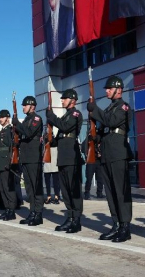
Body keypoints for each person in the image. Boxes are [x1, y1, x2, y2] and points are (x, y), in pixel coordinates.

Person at [87, 75, 134, 242]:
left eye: (109, 88)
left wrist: (95, 110)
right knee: (110, 192)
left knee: (121, 192)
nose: (106, 91)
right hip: (106, 154)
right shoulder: (108, 108)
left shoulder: (123, 107)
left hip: (118, 153)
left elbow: (110, 122)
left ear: (118, 90)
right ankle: (116, 224)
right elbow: (102, 128)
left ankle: (125, 227)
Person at [46, 89, 84, 234]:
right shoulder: (65, 116)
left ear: (72, 100)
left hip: (72, 158)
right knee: (66, 191)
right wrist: (50, 139)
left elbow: (65, 127)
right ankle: (70, 217)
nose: (62, 101)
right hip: (62, 158)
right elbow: (58, 138)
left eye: (64, 99)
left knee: (74, 191)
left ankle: (76, 220)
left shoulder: (75, 114)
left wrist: (51, 117)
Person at [13, 96, 45, 225]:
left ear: (32, 106)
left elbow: (29, 132)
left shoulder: (36, 119)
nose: (23, 108)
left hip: (34, 157)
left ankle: (38, 213)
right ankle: (32, 212)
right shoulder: (26, 119)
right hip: (26, 157)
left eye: (24, 105)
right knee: (29, 187)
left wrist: (17, 124)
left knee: (36, 186)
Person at [0, 109, 17, 221]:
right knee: (3, 189)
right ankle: (7, 209)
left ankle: (11, 211)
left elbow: (12, 148)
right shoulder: (2, 131)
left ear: (7, 118)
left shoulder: (10, 130)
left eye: (2, 117)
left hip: (6, 163)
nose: (0, 119)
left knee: (8, 188)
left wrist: (10, 162)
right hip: (0, 163)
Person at [42, 138, 60, 205]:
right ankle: (51, 196)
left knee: (54, 181)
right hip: (48, 157)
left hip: (52, 157)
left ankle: (54, 196)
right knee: (50, 181)